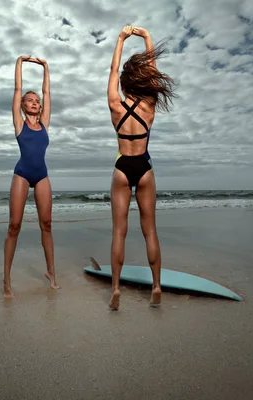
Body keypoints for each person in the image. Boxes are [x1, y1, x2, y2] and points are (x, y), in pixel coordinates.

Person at [107, 26, 177, 310]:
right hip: (145, 167)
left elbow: (113, 70)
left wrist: (120, 39)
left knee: (119, 232)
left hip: (122, 166)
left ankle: (115, 289)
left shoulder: (115, 105)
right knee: (150, 231)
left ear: (124, 85)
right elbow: (151, 69)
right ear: (143, 82)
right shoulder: (149, 104)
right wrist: (147, 37)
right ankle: (156, 285)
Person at [4, 55, 60, 299]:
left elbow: (48, 93)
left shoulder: (45, 124)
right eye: (30, 100)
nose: (35, 102)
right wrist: (20, 61)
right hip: (22, 174)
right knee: (14, 226)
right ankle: (6, 280)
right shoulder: (19, 124)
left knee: (46, 225)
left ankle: (51, 274)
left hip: (42, 176)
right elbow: (17, 89)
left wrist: (46, 67)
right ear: (23, 106)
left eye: (37, 101)